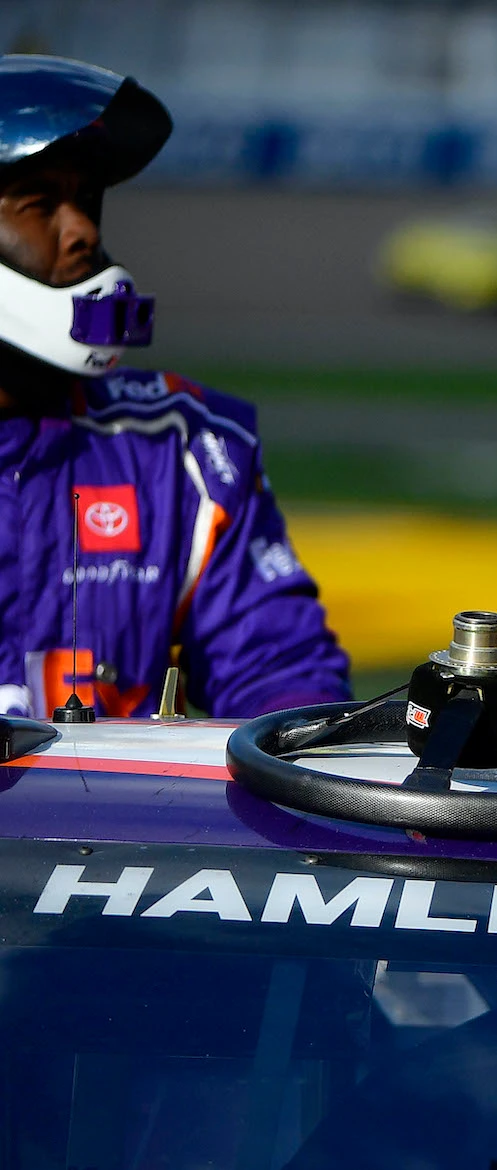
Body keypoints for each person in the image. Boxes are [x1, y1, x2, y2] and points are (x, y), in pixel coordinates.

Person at [0, 55, 349, 719]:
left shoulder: (189, 451)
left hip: (104, 827)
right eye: (42, 204)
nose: (86, 233)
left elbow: (283, 679)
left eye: (89, 204)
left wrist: (297, 729)